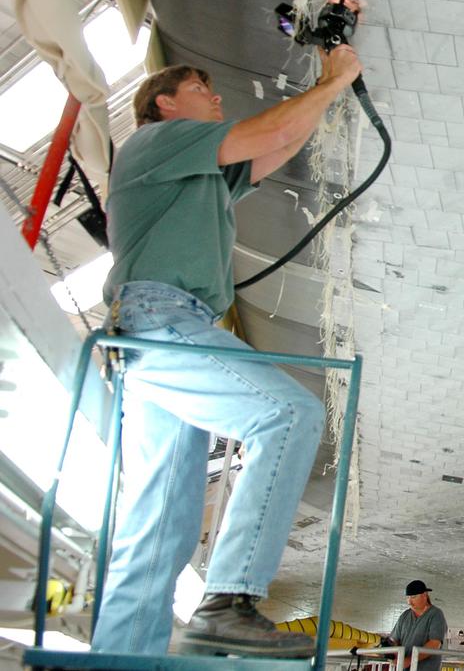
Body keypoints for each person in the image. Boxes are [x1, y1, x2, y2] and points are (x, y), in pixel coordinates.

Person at [90, 44, 363, 657]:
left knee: (163, 517)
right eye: (200, 89)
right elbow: (275, 129)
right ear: (164, 104)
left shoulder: (202, 173)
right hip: (160, 318)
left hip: (149, 334)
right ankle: (228, 601)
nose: (215, 97)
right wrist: (335, 79)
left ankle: (120, 657)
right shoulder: (157, 141)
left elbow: (281, 144)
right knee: (287, 413)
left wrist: (330, 87)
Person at [382, 580, 447, 671]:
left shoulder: (436, 615)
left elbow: (435, 644)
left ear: (424, 595)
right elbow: (394, 640)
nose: (409, 602)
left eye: (413, 597)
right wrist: (390, 652)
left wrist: (409, 660)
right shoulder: (405, 616)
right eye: (408, 597)